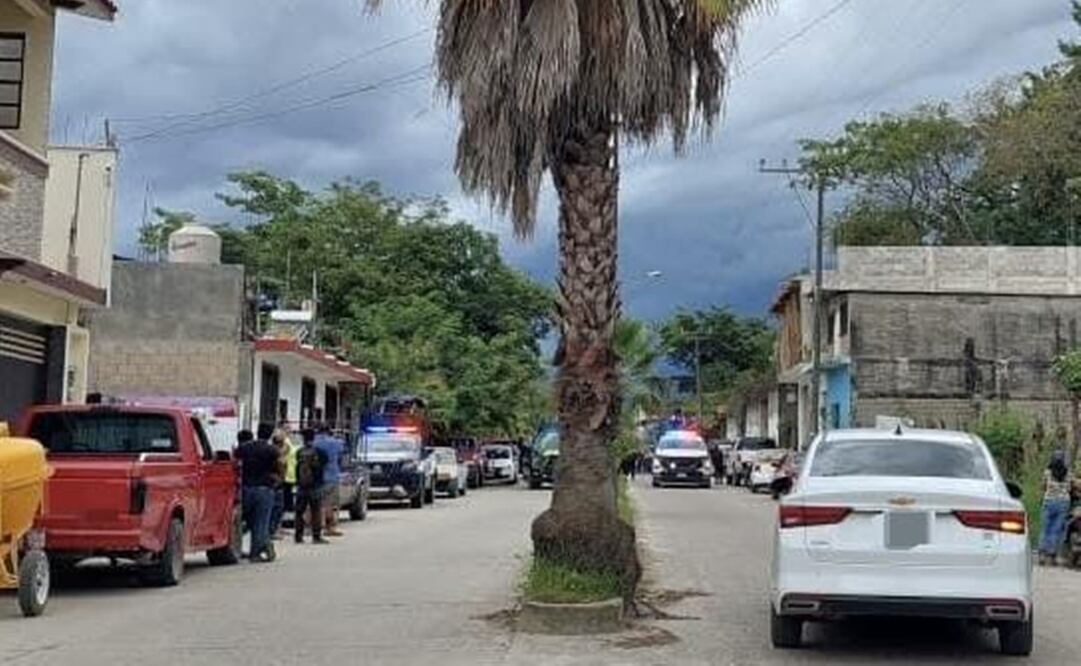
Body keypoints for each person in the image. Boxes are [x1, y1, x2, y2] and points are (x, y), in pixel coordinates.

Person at [234, 425, 280, 562]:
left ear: (257, 433)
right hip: (265, 489)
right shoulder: (272, 450)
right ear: (270, 435)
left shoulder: (244, 448)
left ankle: (236, 548)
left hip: (246, 488)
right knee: (261, 522)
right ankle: (256, 553)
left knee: (244, 521)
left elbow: (235, 463)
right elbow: (279, 468)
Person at [1039, 450, 1073, 566]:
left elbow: (1043, 486)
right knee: (1056, 530)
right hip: (1063, 503)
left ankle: (1042, 555)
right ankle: (1051, 555)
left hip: (1049, 501)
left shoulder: (1047, 472)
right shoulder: (1068, 473)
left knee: (1045, 528)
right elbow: (1069, 488)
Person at [294, 428, 329, 544]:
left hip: (301, 486)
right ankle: (316, 536)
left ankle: (298, 536)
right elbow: (324, 464)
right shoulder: (320, 451)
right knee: (316, 511)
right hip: (316, 485)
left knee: (299, 511)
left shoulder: (299, 452)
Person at [314, 424, 345, 537]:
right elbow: (343, 452)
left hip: (316, 477)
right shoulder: (335, 442)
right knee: (331, 504)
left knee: (315, 503)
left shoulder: (313, 442)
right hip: (332, 475)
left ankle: (313, 526)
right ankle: (330, 527)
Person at [268, 428, 295, 539]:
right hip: (277, 483)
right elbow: (281, 467)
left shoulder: (270, 451)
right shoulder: (277, 455)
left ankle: (275, 529)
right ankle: (273, 530)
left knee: (276, 508)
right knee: (277, 508)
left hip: (275, 483)